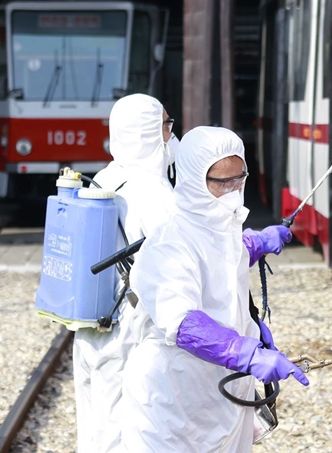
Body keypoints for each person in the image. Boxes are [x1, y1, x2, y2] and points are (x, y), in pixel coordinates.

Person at [119, 126, 307, 452]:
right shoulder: (169, 243)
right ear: (193, 180)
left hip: (220, 396)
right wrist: (245, 352)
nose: (234, 191)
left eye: (239, 179)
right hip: (172, 402)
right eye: (222, 183)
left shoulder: (224, 225)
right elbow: (182, 323)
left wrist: (257, 242)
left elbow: (225, 255)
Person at [72, 94, 177, 452]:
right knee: (132, 434)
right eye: (166, 126)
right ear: (151, 133)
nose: (170, 136)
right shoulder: (157, 195)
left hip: (93, 328)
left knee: (95, 429)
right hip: (133, 334)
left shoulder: (102, 178)